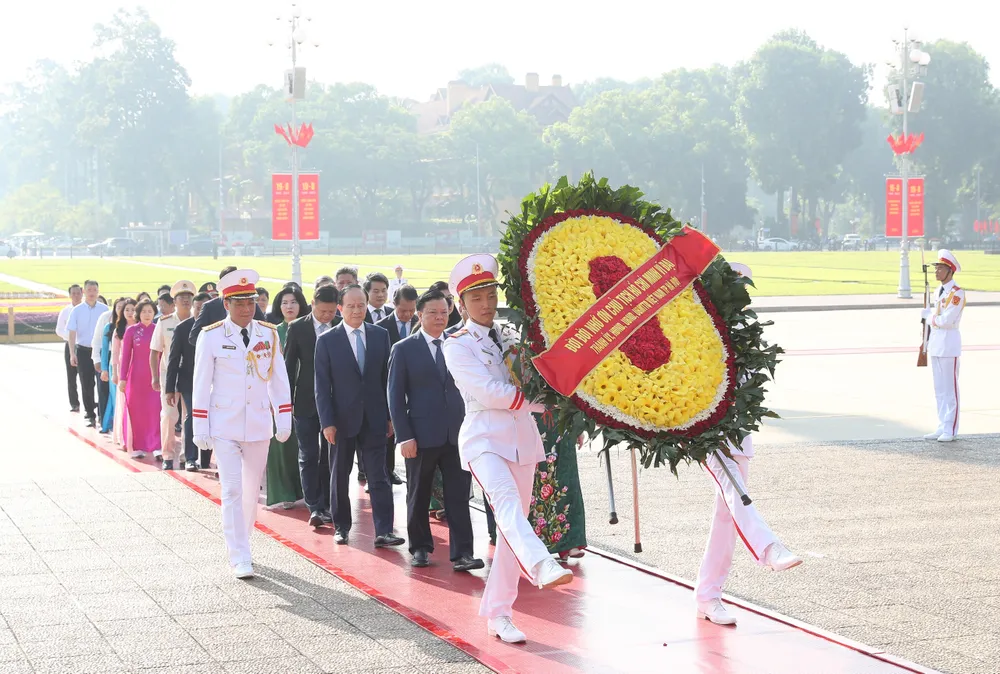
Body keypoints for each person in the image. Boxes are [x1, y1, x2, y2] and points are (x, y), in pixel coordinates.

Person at [442, 254, 571, 644]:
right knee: (509, 509)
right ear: (461, 304)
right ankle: (542, 563)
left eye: (490, 294)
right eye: (476, 297)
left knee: (510, 528)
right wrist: (539, 402)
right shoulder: (457, 345)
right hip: (484, 440)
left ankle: (499, 613)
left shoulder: (513, 334)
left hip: (523, 442)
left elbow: (537, 372)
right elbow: (488, 392)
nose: (486, 303)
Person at [694, 262, 802, 627]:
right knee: (735, 494)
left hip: (738, 432)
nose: (740, 292)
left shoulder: (744, 327)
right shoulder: (699, 323)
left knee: (725, 518)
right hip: (708, 432)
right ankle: (769, 548)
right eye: (733, 285)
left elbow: (754, 378)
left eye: (742, 286)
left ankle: (709, 595)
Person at [192, 269, 292, 579]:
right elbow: (201, 383)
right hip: (225, 423)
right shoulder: (211, 336)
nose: (246, 309)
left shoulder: (268, 334)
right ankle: (238, 554)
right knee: (232, 489)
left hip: (259, 423)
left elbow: (279, 380)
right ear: (226, 304)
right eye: (239, 303)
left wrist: (283, 417)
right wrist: (200, 426)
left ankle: (243, 541)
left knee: (251, 491)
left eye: (250, 302)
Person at [389, 289, 483, 572]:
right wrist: (405, 436)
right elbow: (394, 396)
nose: (440, 317)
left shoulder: (459, 344)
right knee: (418, 493)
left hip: (457, 433)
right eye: (433, 313)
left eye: (444, 312)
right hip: (420, 435)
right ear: (420, 315)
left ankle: (463, 553)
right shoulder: (404, 349)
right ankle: (420, 547)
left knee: (459, 495)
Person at [314, 284, 403, 549]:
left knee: (379, 475)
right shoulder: (327, 340)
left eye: (361, 305)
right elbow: (322, 385)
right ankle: (341, 527)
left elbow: (387, 380)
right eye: (350, 306)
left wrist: (390, 417)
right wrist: (327, 422)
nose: (356, 310)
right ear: (340, 308)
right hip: (341, 421)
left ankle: (384, 530)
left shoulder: (380, 335)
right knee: (340, 475)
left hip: (374, 418)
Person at [285, 285, 338, 528]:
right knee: (308, 455)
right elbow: (288, 366)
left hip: (335, 403)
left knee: (330, 456)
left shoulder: (340, 325)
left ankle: (328, 503)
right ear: (313, 304)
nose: (327, 316)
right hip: (305, 402)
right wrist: (286, 403)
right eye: (323, 311)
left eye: (331, 311)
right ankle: (314, 506)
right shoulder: (297, 327)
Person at [264, 285, 309, 507]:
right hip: (279, 397)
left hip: (306, 394)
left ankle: (308, 491)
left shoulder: (309, 328)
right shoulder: (271, 332)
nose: (289, 306)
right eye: (284, 302)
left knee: (307, 446)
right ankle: (285, 493)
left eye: (293, 302)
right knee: (281, 444)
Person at [376, 283, 419, 486]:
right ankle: (386, 471)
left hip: (416, 389)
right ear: (393, 304)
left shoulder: (420, 324)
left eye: (411, 310)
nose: (407, 315)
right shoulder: (381, 328)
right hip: (390, 386)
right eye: (402, 310)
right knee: (388, 432)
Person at [921, 249, 965, 443]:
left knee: (950, 389)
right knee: (939, 389)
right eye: (936, 268)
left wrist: (929, 317)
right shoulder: (939, 291)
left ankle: (951, 428)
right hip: (937, 344)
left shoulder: (957, 293)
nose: (936, 271)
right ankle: (941, 425)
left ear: (950, 270)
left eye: (940, 268)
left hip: (949, 344)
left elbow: (946, 320)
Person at [151, 281, 195, 470]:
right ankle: (168, 455)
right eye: (181, 298)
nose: (185, 300)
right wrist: (154, 377)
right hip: (168, 375)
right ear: (174, 301)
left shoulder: (198, 322)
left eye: (188, 297)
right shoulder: (165, 322)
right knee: (169, 416)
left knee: (189, 416)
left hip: (189, 375)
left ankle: (187, 457)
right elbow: (154, 350)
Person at [531, 417, 587, 561]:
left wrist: (578, 426)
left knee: (567, 477)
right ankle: (535, 543)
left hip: (563, 416)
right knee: (537, 479)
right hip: (532, 416)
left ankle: (570, 542)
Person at [166, 291, 209, 471]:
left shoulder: (218, 329)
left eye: (204, 308)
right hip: (188, 382)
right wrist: (169, 388)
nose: (201, 312)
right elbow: (173, 359)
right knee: (192, 415)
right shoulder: (183, 328)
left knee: (210, 418)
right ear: (193, 308)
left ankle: (206, 459)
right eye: (198, 308)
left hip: (212, 383)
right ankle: (191, 457)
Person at [119, 299, 162, 460]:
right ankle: (137, 446)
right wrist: (122, 378)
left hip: (155, 377)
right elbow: (125, 357)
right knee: (136, 411)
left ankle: (156, 445)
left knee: (155, 410)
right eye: (144, 311)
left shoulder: (159, 330)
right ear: (138, 313)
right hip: (135, 376)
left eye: (150, 311)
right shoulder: (131, 331)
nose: (147, 314)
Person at [189, 266, 266, 346]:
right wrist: (218, 346)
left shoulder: (251, 305)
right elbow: (194, 336)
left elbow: (263, 330)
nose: (246, 309)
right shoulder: (209, 307)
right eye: (239, 304)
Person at [67, 280, 108, 427]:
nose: (92, 293)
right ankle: (90, 413)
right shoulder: (77, 310)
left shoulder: (105, 310)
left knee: (103, 383)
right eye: (89, 290)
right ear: (84, 292)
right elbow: (72, 334)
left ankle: (103, 415)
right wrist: (72, 354)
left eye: (94, 290)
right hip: (83, 350)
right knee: (86, 383)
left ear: (98, 291)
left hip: (100, 351)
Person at [111, 299, 137, 449]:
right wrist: (115, 373)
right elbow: (115, 354)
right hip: (124, 370)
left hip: (139, 369)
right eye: (127, 310)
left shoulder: (141, 328)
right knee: (124, 404)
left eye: (133, 309)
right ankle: (125, 438)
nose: (130, 313)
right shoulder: (119, 330)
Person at [99, 298, 127, 434]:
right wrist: (104, 368)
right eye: (119, 307)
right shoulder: (110, 328)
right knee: (116, 397)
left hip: (129, 367)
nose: (121, 310)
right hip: (114, 366)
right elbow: (104, 350)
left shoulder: (133, 326)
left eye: (125, 307)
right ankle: (117, 428)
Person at [56, 284, 83, 413]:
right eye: (74, 293)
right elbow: (59, 330)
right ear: (70, 295)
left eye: (78, 293)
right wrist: (71, 337)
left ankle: (90, 403)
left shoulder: (86, 309)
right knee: (71, 376)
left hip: (85, 346)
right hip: (70, 345)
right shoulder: (66, 311)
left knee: (87, 377)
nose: (76, 296)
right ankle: (74, 403)